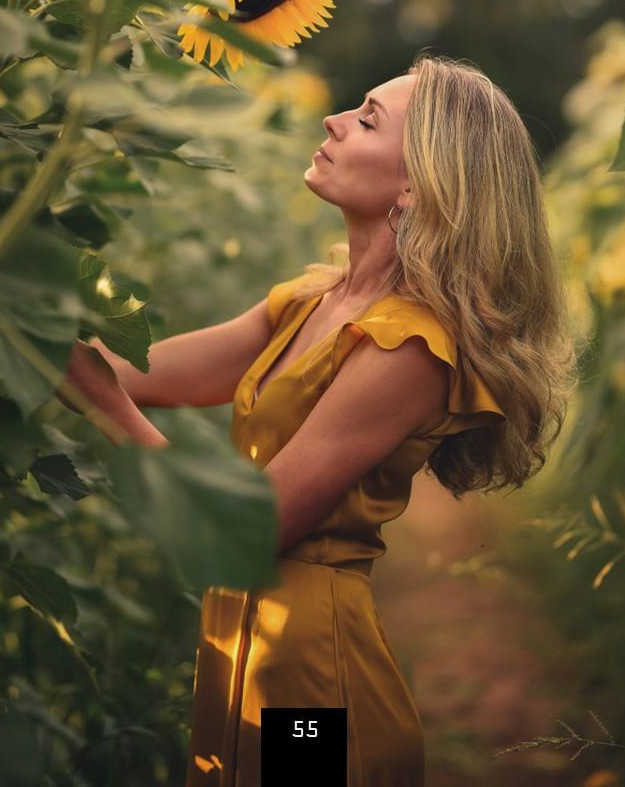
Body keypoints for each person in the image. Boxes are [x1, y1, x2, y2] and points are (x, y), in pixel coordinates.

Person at [62, 52, 576, 786]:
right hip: (244, 642)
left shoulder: (410, 347)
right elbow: (123, 372)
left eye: (366, 119)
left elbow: (249, 529)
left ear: (416, 185)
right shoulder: (308, 302)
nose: (334, 120)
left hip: (311, 677)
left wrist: (100, 402)